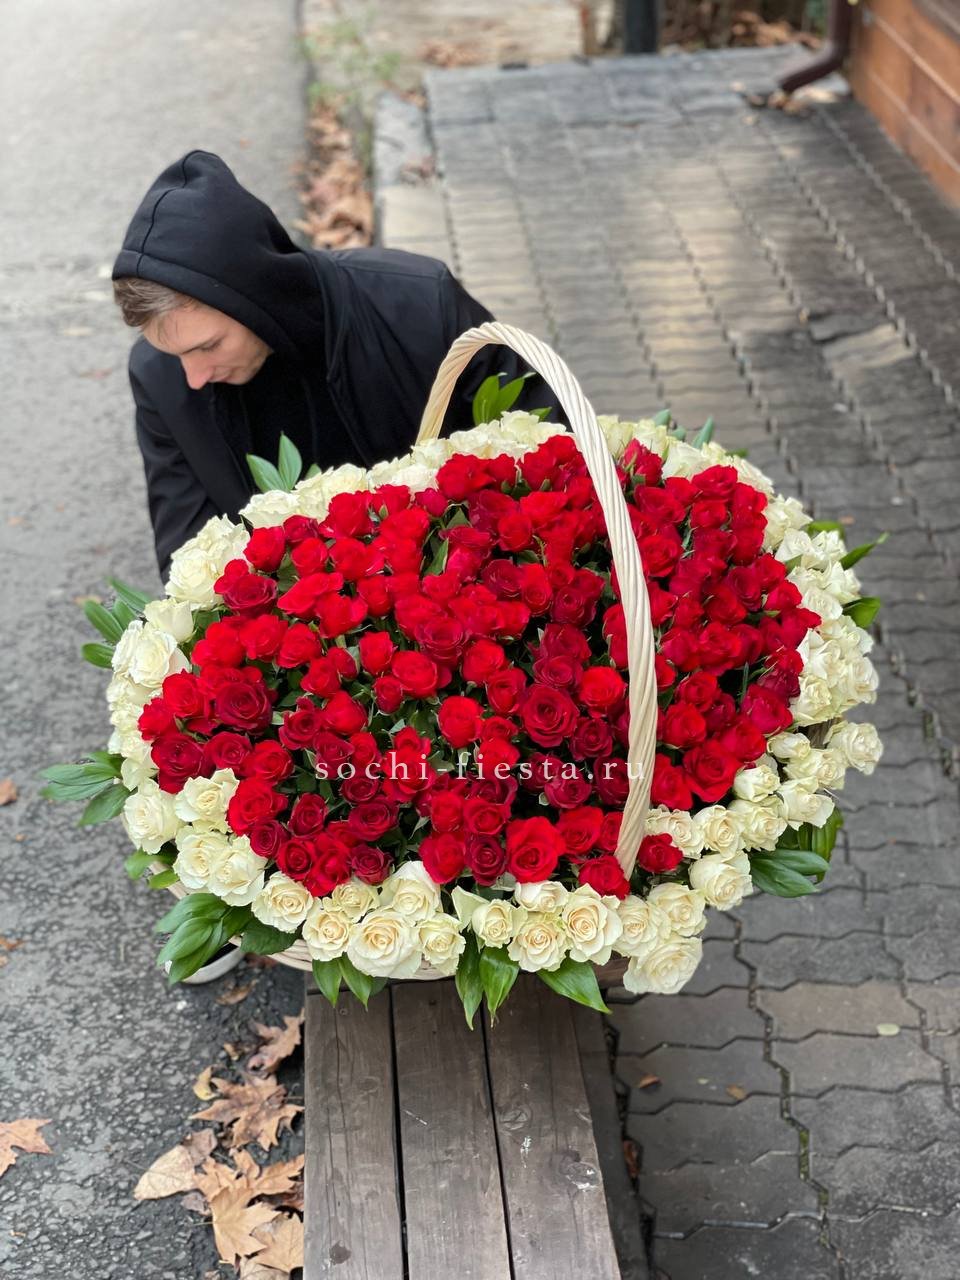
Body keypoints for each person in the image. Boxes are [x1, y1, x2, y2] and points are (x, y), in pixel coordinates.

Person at [112, 150, 556, 578]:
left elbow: (547, 446)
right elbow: (187, 553)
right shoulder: (158, 376)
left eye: (209, 346)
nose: (194, 377)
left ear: (255, 299)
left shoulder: (420, 306)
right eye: (174, 353)